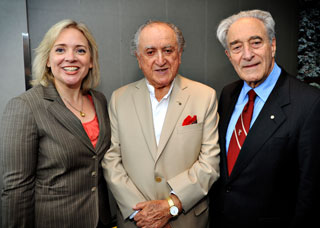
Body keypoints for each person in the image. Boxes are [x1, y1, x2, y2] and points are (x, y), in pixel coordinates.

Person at [102, 20, 220, 228]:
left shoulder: (205, 96)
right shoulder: (119, 99)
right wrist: (141, 214)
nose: (160, 60)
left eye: (168, 50)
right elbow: (112, 160)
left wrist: (170, 207)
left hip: (187, 220)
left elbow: (209, 162)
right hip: (136, 221)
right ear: (139, 59)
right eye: (150, 52)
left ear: (179, 54)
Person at [209, 9, 320, 228]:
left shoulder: (310, 103)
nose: (247, 55)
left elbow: (311, 191)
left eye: (256, 42)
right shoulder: (227, 94)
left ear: (273, 44)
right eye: (237, 47)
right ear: (228, 55)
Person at [0, 19, 112, 228]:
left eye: (80, 50)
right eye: (60, 50)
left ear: (91, 61)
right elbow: (16, 190)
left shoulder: (99, 100)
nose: (71, 57)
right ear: (48, 60)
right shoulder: (25, 107)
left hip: (101, 220)